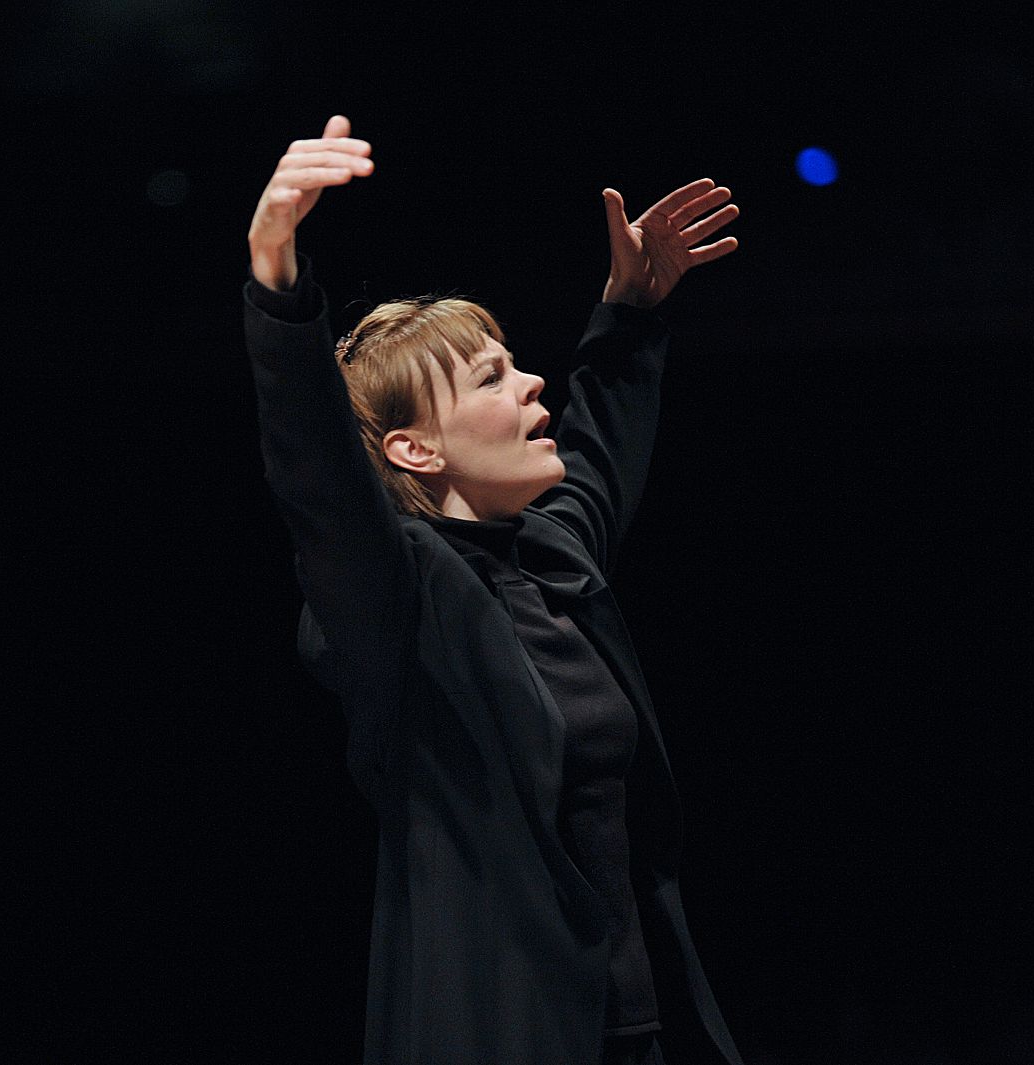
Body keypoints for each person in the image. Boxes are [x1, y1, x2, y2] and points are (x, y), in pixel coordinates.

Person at [242, 115, 745, 1065]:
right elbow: (318, 477)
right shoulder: (397, 598)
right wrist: (276, 278)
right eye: (491, 376)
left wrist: (632, 309)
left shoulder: (550, 557)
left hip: (636, 1035)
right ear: (414, 448)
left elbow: (600, 449)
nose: (530, 381)